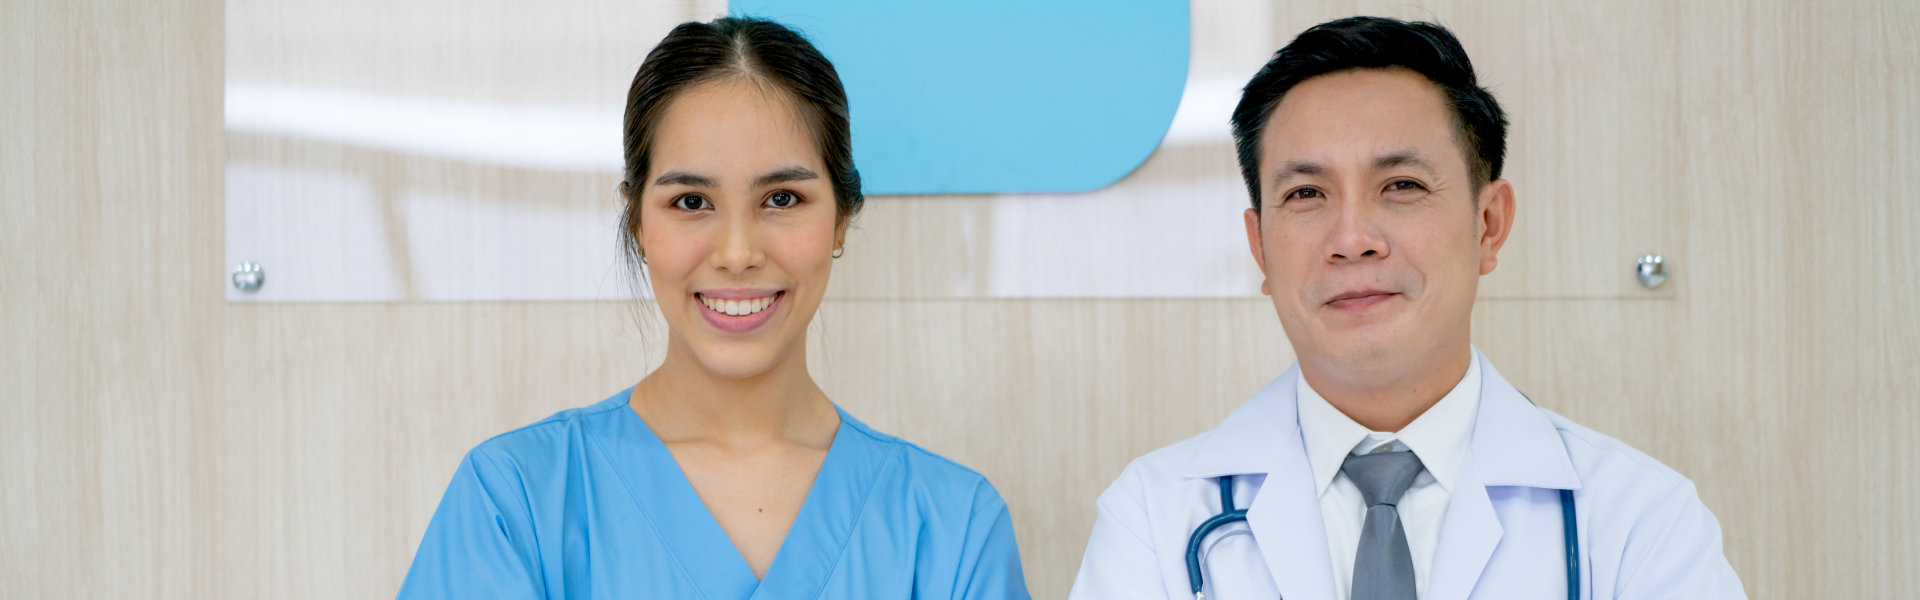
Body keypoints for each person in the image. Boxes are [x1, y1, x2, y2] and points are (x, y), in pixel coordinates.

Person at [1069, 16, 1744, 600]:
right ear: (1260, 248)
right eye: (1306, 195)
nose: (1353, 240)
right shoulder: (1154, 520)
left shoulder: (1638, 520)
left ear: (1488, 225)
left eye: (1401, 185)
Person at [398, 17, 1029, 599]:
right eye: (692, 202)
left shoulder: (951, 532)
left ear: (842, 217)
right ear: (637, 220)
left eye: (782, 198)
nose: (736, 252)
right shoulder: (516, 503)